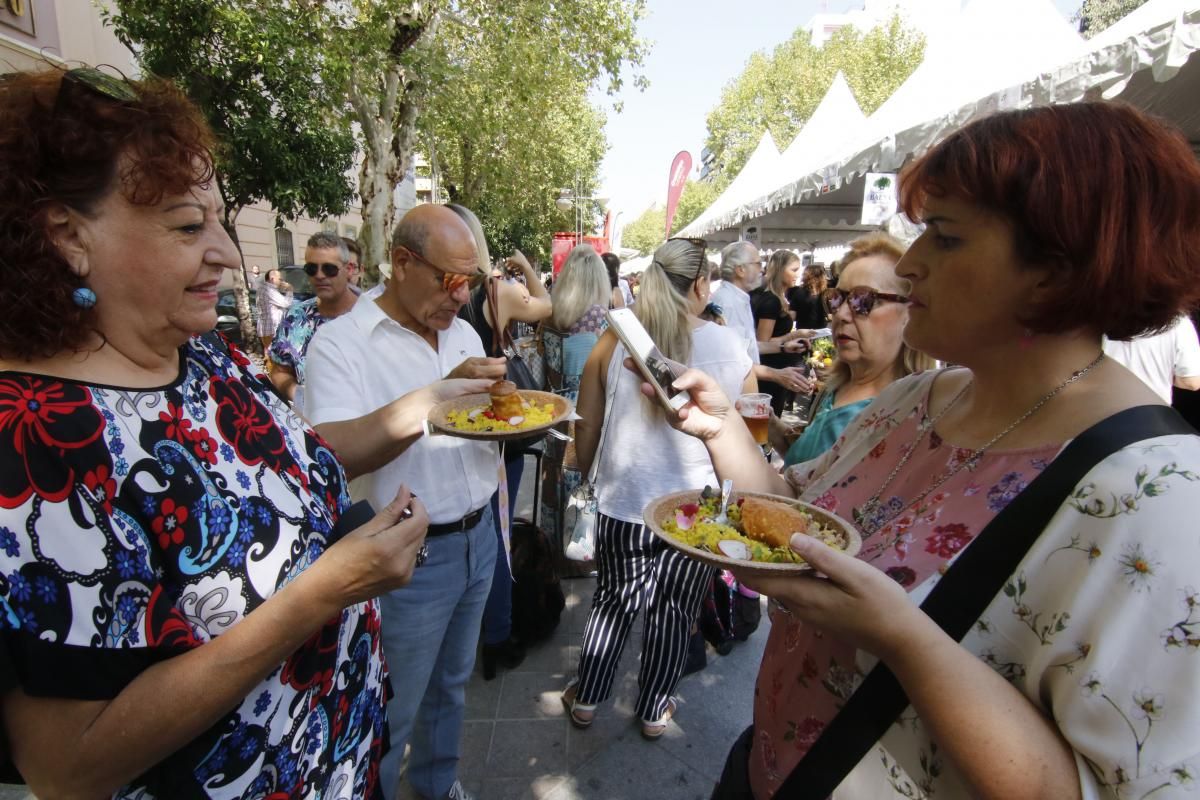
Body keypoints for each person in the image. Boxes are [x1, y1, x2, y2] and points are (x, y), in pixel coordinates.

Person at [655, 102, 1200, 799]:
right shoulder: (915, 402)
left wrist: (903, 640)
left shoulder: (1164, 497)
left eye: (942, 237)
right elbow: (794, 513)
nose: (908, 265)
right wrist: (723, 425)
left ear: (1057, 269)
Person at [0, 67, 454, 799]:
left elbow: (293, 463)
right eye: (187, 225)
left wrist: (425, 406)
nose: (227, 252)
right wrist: (321, 594)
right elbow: (69, 767)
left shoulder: (201, 349)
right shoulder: (33, 437)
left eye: (218, 220)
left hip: (339, 759)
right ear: (67, 237)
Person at [304, 204, 507, 800]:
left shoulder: (463, 333)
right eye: (450, 280)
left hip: (479, 539)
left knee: (452, 688)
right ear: (401, 263)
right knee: (390, 707)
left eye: (470, 281)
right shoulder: (340, 343)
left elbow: (480, 425)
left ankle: (438, 785)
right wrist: (434, 400)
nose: (462, 296)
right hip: (407, 561)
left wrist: (506, 410)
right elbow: (334, 452)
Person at [560, 237, 755, 740]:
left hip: (624, 500)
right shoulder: (729, 346)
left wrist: (585, 479)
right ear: (701, 284)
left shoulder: (613, 340)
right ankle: (652, 711)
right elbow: (754, 429)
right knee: (675, 611)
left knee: (611, 601)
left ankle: (587, 699)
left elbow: (587, 425)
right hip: (694, 512)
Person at [450, 203, 552, 681]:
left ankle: (480, 631)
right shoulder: (497, 291)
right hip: (495, 425)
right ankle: (497, 635)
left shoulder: (452, 298)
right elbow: (547, 306)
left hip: (456, 419)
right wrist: (525, 267)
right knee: (495, 532)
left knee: (477, 531)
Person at [771, 232, 935, 467]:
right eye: (837, 299)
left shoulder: (905, 416)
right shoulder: (837, 385)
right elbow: (809, 467)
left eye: (863, 300)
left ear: (912, 310)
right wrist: (772, 426)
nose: (842, 314)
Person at [537, 246, 612, 550]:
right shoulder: (600, 319)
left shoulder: (550, 315)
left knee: (553, 480)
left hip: (554, 412)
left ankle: (553, 551)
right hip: (585, 413)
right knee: (581, 483)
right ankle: (579, 552)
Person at [712, 241, 812, 399]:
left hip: (743, 392)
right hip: (734, 395)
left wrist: (784, 347)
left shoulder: (738, 299)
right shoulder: (727, 303)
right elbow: (733, 360)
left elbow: (749, 346)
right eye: (758, 264)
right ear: (740, 270)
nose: (762, 269)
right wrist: (776, 375)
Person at [268, 231, 356, 411]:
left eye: (329, 269)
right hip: (314, 428)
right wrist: (300, 396)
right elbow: (279, 371)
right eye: (311, 269)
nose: (320, 276)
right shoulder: (295, 318)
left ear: (349, 270)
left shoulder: (375, 315)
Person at [751, 249, 811, 416]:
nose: (798, 274)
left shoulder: (776, 297)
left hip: (775, 368)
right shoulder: (771, 300)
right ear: (780, 269)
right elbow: (762, 341)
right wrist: (794, 336)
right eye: (794, 269)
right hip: (771, 369)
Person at [1103, 313, 1200, 403]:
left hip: (1102, 409)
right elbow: (1192, 382)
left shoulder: (1098, 313)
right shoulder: (1178, 320)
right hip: (1152, 411)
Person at [255, 267, 293, 355]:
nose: (281, 281)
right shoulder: (269, 290)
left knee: (268, 352)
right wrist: (290, 290)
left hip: (264, 328)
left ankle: (269, 367)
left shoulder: (262, 288)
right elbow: (286, 303)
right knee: (273, 355)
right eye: (280, 279)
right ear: (272, 279)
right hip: (270, 328)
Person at [788, 262, 828, 331]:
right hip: (822, 331)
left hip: (803, 331)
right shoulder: (826, 293)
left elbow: (792, 316)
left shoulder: (798, 292)